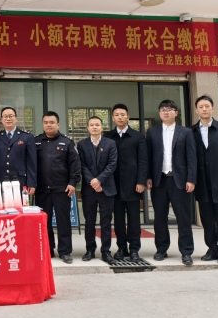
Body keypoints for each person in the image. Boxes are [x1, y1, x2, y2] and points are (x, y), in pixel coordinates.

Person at [146, 99, 197, 266]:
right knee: (160, 217)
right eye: (163, 109)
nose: (166, 112)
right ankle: (161, 249)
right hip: (159, 180)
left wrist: (191, 179)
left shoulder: (186, 132)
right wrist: (148, 177)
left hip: (179, 181)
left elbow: (192, 157)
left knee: (183, 217)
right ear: (159, 113)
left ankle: (186, 251)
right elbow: (148, 157)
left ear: (176, 113)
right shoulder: (152, 132)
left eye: (169, 109)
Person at [191, 94, 218, 265]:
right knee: (207, 219)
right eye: (201, 107)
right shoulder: (191, 131)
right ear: (196, 110)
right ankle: (212, 248)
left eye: (207, 106)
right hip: (202, 182)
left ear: (213, 109)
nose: (204, 109)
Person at [35, 111, 81, 264]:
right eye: (46, 122)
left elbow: (75, 165)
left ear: (58, 124)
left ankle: (65, 251)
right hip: (41, 190)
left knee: (63, 221)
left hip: (61, 189)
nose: (48, 125)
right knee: (44, 222)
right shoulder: (36, 142)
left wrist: (73, 183)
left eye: (52, 122)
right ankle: (48, 249)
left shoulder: (67, 142)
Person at [105, 104, 148, 262]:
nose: (120, 117)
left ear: (128, 117)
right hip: (114, 185)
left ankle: (135, 249)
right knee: (118, 219)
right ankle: (122, 247)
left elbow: (143, 161)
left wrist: (141, 181)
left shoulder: (137, 136)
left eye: (123, 114)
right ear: (113, 118)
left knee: (134, 219)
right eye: (117, 115)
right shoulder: (108, 137)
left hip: (133, 185)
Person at [77, 116, 118, 263]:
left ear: (102, 127)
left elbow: (112, 164)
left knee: (106, 221)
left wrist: (99, 180)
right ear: (88, 128)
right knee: (89, 221)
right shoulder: (81, 144)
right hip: (89, 189)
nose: (94, 127)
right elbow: (81, 165)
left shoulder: (110, 143)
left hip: (106, 188)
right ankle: (90, 250)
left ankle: (106, 251)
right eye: (92, 125)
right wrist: (93, 182)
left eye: (97, 125)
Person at [0, 107, 37, 195]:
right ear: (1, 120)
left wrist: (31, 183)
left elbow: (31, 162)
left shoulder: (27, 137)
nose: (8, 119)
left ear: (16, 119)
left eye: (11, 116)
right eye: (5, 116)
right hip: (0, 181)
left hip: (21, 181)